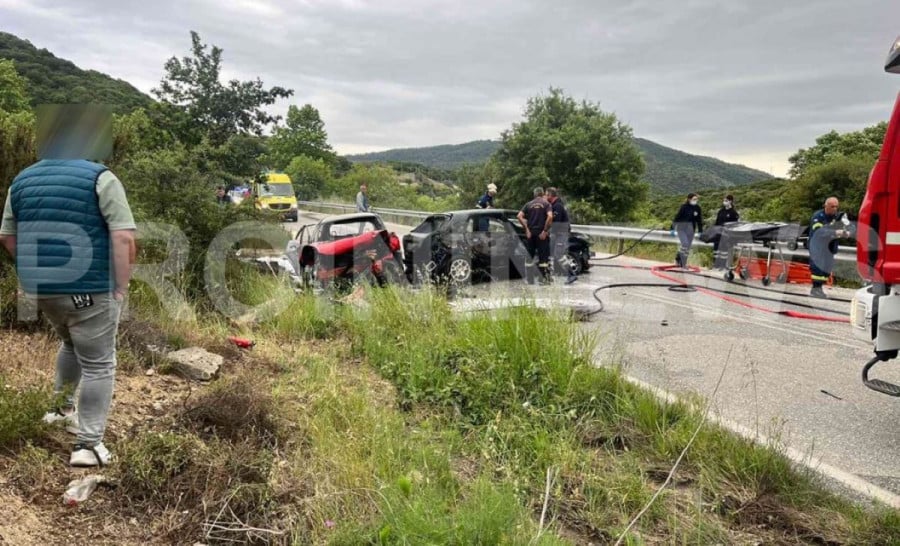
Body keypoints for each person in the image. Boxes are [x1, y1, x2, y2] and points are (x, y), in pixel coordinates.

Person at [0, 138, 136, 467]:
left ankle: (60, 412)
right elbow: (123, 236)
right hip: (90, 288)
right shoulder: (100, 178)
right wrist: (121, 284)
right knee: (99, 363)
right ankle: (88, 445)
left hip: (44, 289)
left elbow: (6, 235)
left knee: (70, 344)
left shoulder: (21, 179)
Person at [808, 197, 850, 298]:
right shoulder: (818, 216)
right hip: (818, 246)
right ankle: (815, 289)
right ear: (826, 206)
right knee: (817, 268)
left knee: (827, 268)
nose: (835, 209)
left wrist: (847, 232)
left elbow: (848, 225)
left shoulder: (838, 216)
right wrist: (835, 232)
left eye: (836, 207)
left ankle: (819, 288)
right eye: (832, 207)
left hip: (830, 246)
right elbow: (819, 232)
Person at [517, 187, 554, 284]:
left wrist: (527, 229)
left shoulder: (528, 204)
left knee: (529, 257)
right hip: (541, 234)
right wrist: (545, 231)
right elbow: (550, 216)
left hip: (531, 234)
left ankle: (530, 280)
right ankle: (543, 280)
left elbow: (519, 216)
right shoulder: (546, 204)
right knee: (543, 258)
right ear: (542, 194)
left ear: (534, 194)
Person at [546, 187, 577, 284]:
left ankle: (571, 274)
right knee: (554, 255)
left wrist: (550, 233)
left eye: (547, 195)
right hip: (558, 234)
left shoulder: (558, 206)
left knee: (559, 255)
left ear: (550, 195)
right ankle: (550, 276)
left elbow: (557, 223)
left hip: (561, 234)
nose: (546, 197)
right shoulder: (554, 205)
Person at [672, 193, 703, 268]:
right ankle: (682, 262)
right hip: (682, 229)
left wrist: (700, 230)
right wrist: (672, 228)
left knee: (687, 247)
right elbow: (677, 217)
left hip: (691, 230)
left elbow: (699, 220)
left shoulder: (697, 208)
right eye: (694, 199)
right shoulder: (684, 207)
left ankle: (680, 260)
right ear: (689, 199)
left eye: (696, 199)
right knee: (685, 244)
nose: (695, 200)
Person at [712, 194, 739, 269]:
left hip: (726, 234)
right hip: (718, 233)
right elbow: (717, 222)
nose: (724, 202)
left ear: (730, 201)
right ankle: (715, 264)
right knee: (716, 249)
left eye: (726, 201)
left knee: (724, 250)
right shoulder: (721, 211)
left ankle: (722, 265)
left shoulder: (733, 212)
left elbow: (735, 225)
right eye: (724, 200)